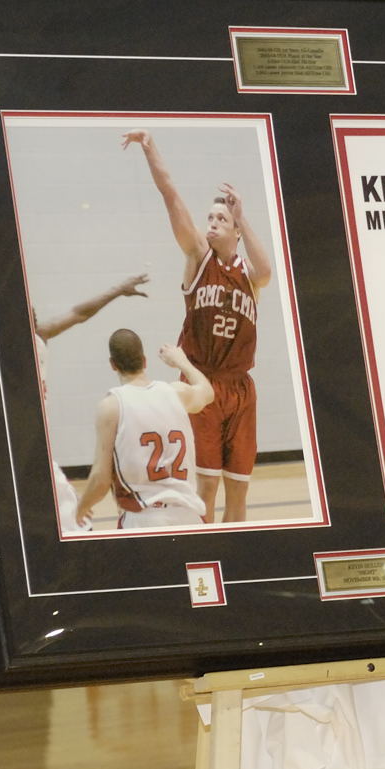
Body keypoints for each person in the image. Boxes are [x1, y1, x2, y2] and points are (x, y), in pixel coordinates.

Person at [122, 129, 272, 523]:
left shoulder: (249, 275)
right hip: (201, 385)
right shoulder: (198, 256)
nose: (212, 222)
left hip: (241, 388)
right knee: (205, 488)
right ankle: (211, 561)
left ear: (237, 229)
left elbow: (267, 270)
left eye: (221, 218)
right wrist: (150, 148)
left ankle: (237, 561)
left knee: (239, 490)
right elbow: (171, 194)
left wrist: (243, 216)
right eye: (210, 217)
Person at [32, 272, 151, 533]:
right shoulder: (11, 352)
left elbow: (79, 313)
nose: (35, 313)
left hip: (38, 451)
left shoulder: (38, 338)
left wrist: (118, 289)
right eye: (30, 311)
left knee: (70, 519)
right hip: (27, 451)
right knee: (74, 522)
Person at [75, 332, 214, 529]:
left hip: (143, 518)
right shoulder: (177, 392)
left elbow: (101, 479)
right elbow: (207, 392)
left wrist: (81, 508)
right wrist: (182, 362)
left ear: (113, 364)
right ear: (144, 360)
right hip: (189, 515)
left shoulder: (112, 406)